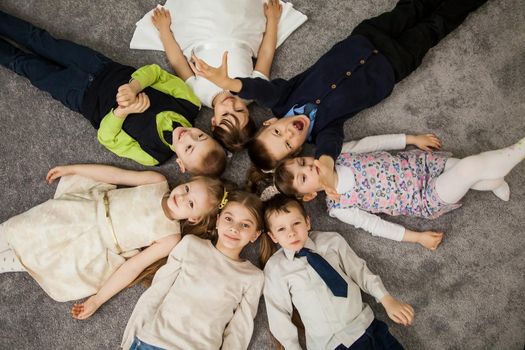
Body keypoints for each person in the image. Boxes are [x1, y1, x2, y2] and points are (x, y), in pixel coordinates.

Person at [189, 0, 488, 172]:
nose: (290, 131)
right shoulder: (325, 131)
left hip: (364, 40)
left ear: (270, 120)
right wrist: (326, 167)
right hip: (393, 65)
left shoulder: (282, 99)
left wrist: (228, 82)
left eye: (277, 131)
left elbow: (260, 90)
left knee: (411, 8)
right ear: (297, 150)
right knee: (434, 27)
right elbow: (330, 150)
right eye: (290, 143)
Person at [0, 11, 226, 175]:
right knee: (40, 39)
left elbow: (108, 138)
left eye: (188, 148)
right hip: (101, 68)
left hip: (82, 98)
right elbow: (156, 73)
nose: (189, 136)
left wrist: (122, 111)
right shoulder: (189, 103)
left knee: (25, 66)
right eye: (200, 136)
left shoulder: (153, 154)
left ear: (181, 164)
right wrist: (135, 86)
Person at [0, 164, 227, 319]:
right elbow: (115, 175)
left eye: (190, 204)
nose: (183, 196)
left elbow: (133, 266)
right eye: (187, 189)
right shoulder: (157, 182)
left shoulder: (170, 237)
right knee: (24, 228)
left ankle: (8, 262)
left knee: (38, 258)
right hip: (82, 211)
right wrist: (73, 169)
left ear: (194, 218)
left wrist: (97, 300)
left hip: (95, 246)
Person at [271, 134, 525, 250]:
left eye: (303, 162)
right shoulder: (340, 207)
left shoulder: (340, 155)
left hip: (422, 164)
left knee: (473, 171)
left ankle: (494, 180)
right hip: (427, 197)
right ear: (309, 196)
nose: (310, 167)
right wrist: (418, 238)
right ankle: (517, 151)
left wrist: (411, 139)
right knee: (470, 167)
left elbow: (375, 142)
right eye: (304, 177)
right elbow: (376, 225)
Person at [121, 191, 274, 350]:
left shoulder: (253, 277)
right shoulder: (191, 245)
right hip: (154, 341)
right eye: (229, 219)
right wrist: (129, 340)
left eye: (245, 225)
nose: (234, 228)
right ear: (217, 221)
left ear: (255, 235)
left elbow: (240, 329)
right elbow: (156, 291)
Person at [263, 194, 414, 349]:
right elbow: (278, 315)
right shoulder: (276, 268)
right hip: (331, 345)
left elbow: (359, 271)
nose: (291, 232)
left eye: (296, 223)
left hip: (367, 327)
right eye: (281, 229)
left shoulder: (330, 241)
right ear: (273, 236)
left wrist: (386, 299)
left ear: (307, 222)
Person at [149, 0, 284, 151]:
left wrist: (164, 30)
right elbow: (265, 54)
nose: (230, 104)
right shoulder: (252, 91)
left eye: (225, 114)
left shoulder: (198, 94)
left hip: (200, 32)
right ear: (249, 113)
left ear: (213, 122)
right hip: (239, 29)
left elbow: (178, 61)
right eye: (239, 110)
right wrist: (272, 20)